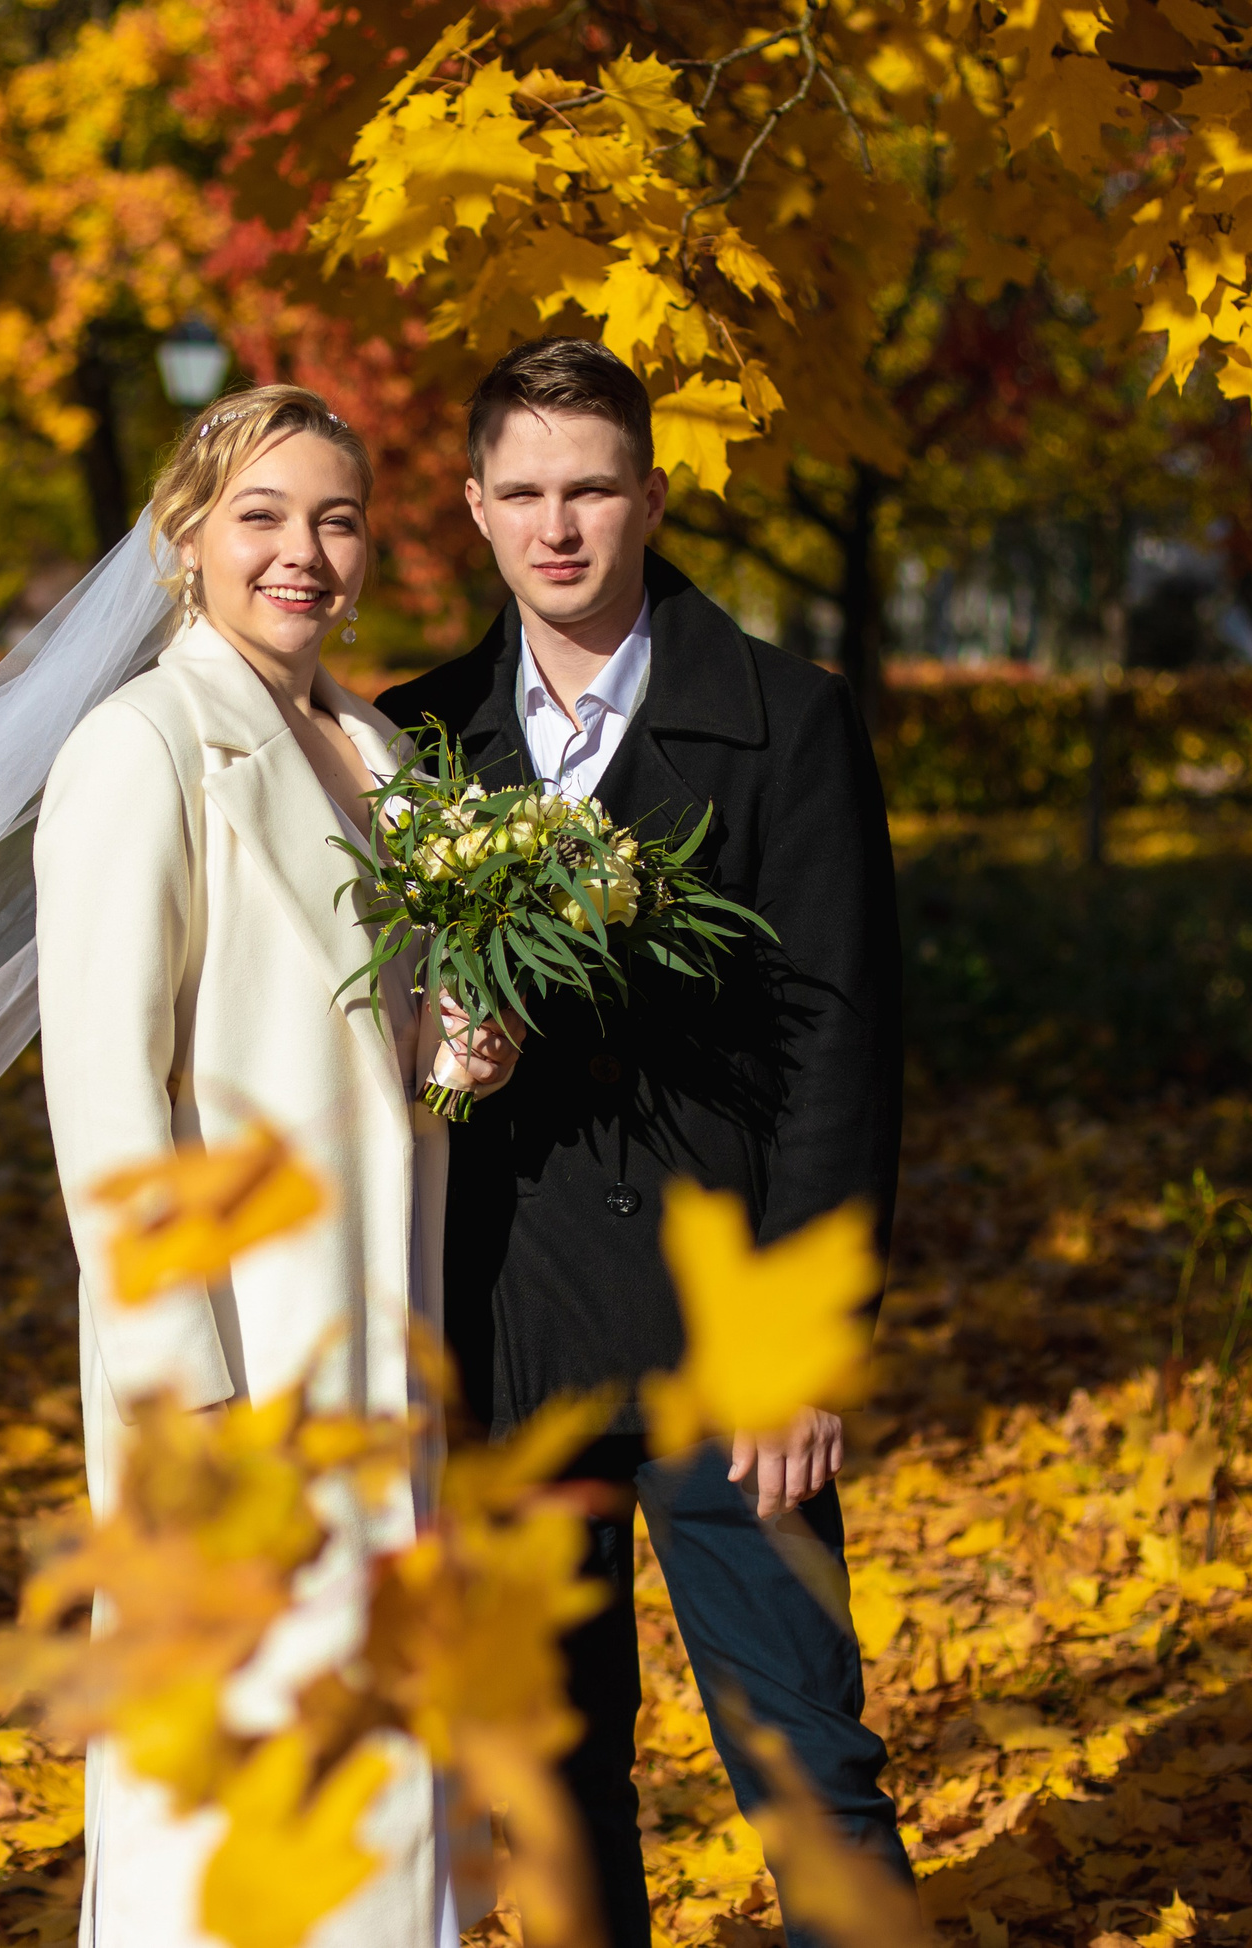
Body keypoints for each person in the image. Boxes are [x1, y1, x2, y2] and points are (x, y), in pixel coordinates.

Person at [374, 337, 911, 1947]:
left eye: (593, 489)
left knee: (808, 1756)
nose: (559, 528)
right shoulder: (416, 742)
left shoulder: (789, 725)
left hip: (721, 1340)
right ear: (473, 507)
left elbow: (843, 1051)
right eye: (524, 492)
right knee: (557, 1778)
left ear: (652, 497)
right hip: (515, 1334)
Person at [33, 384, 516, 1948]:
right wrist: (189, 1389)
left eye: (335, 518)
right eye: (262, 516)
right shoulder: (143, 749)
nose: (302, 552)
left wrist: (457, 1054)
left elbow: (362, 1043)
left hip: (383, 1345)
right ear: (185, 540)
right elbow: (109, 1096)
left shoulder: (376, 747)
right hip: (236, 1367)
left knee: (379, 1769)